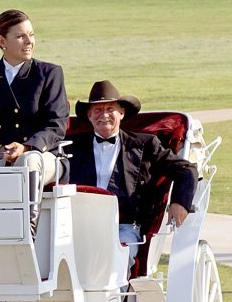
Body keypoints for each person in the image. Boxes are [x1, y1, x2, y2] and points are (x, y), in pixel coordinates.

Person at [67, 80, 198, 266]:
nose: (104, 115)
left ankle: (115, 295)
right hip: (79, 226)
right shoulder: (71, 147)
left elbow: (186, 169)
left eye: (110, 109)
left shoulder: (144, 145)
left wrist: (180, 203)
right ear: (89, 115)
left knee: (117, 260)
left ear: (121, 113)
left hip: (125, 227)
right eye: (97, 110)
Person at [0, 9, 69, 238]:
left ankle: (26, 235)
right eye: (21, 36)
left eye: (31, 34)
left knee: (28, 161)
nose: (29, 41)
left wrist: (26, 146)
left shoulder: (49, 73)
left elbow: (56, 124)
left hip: (43, 156)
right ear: (2, 41)